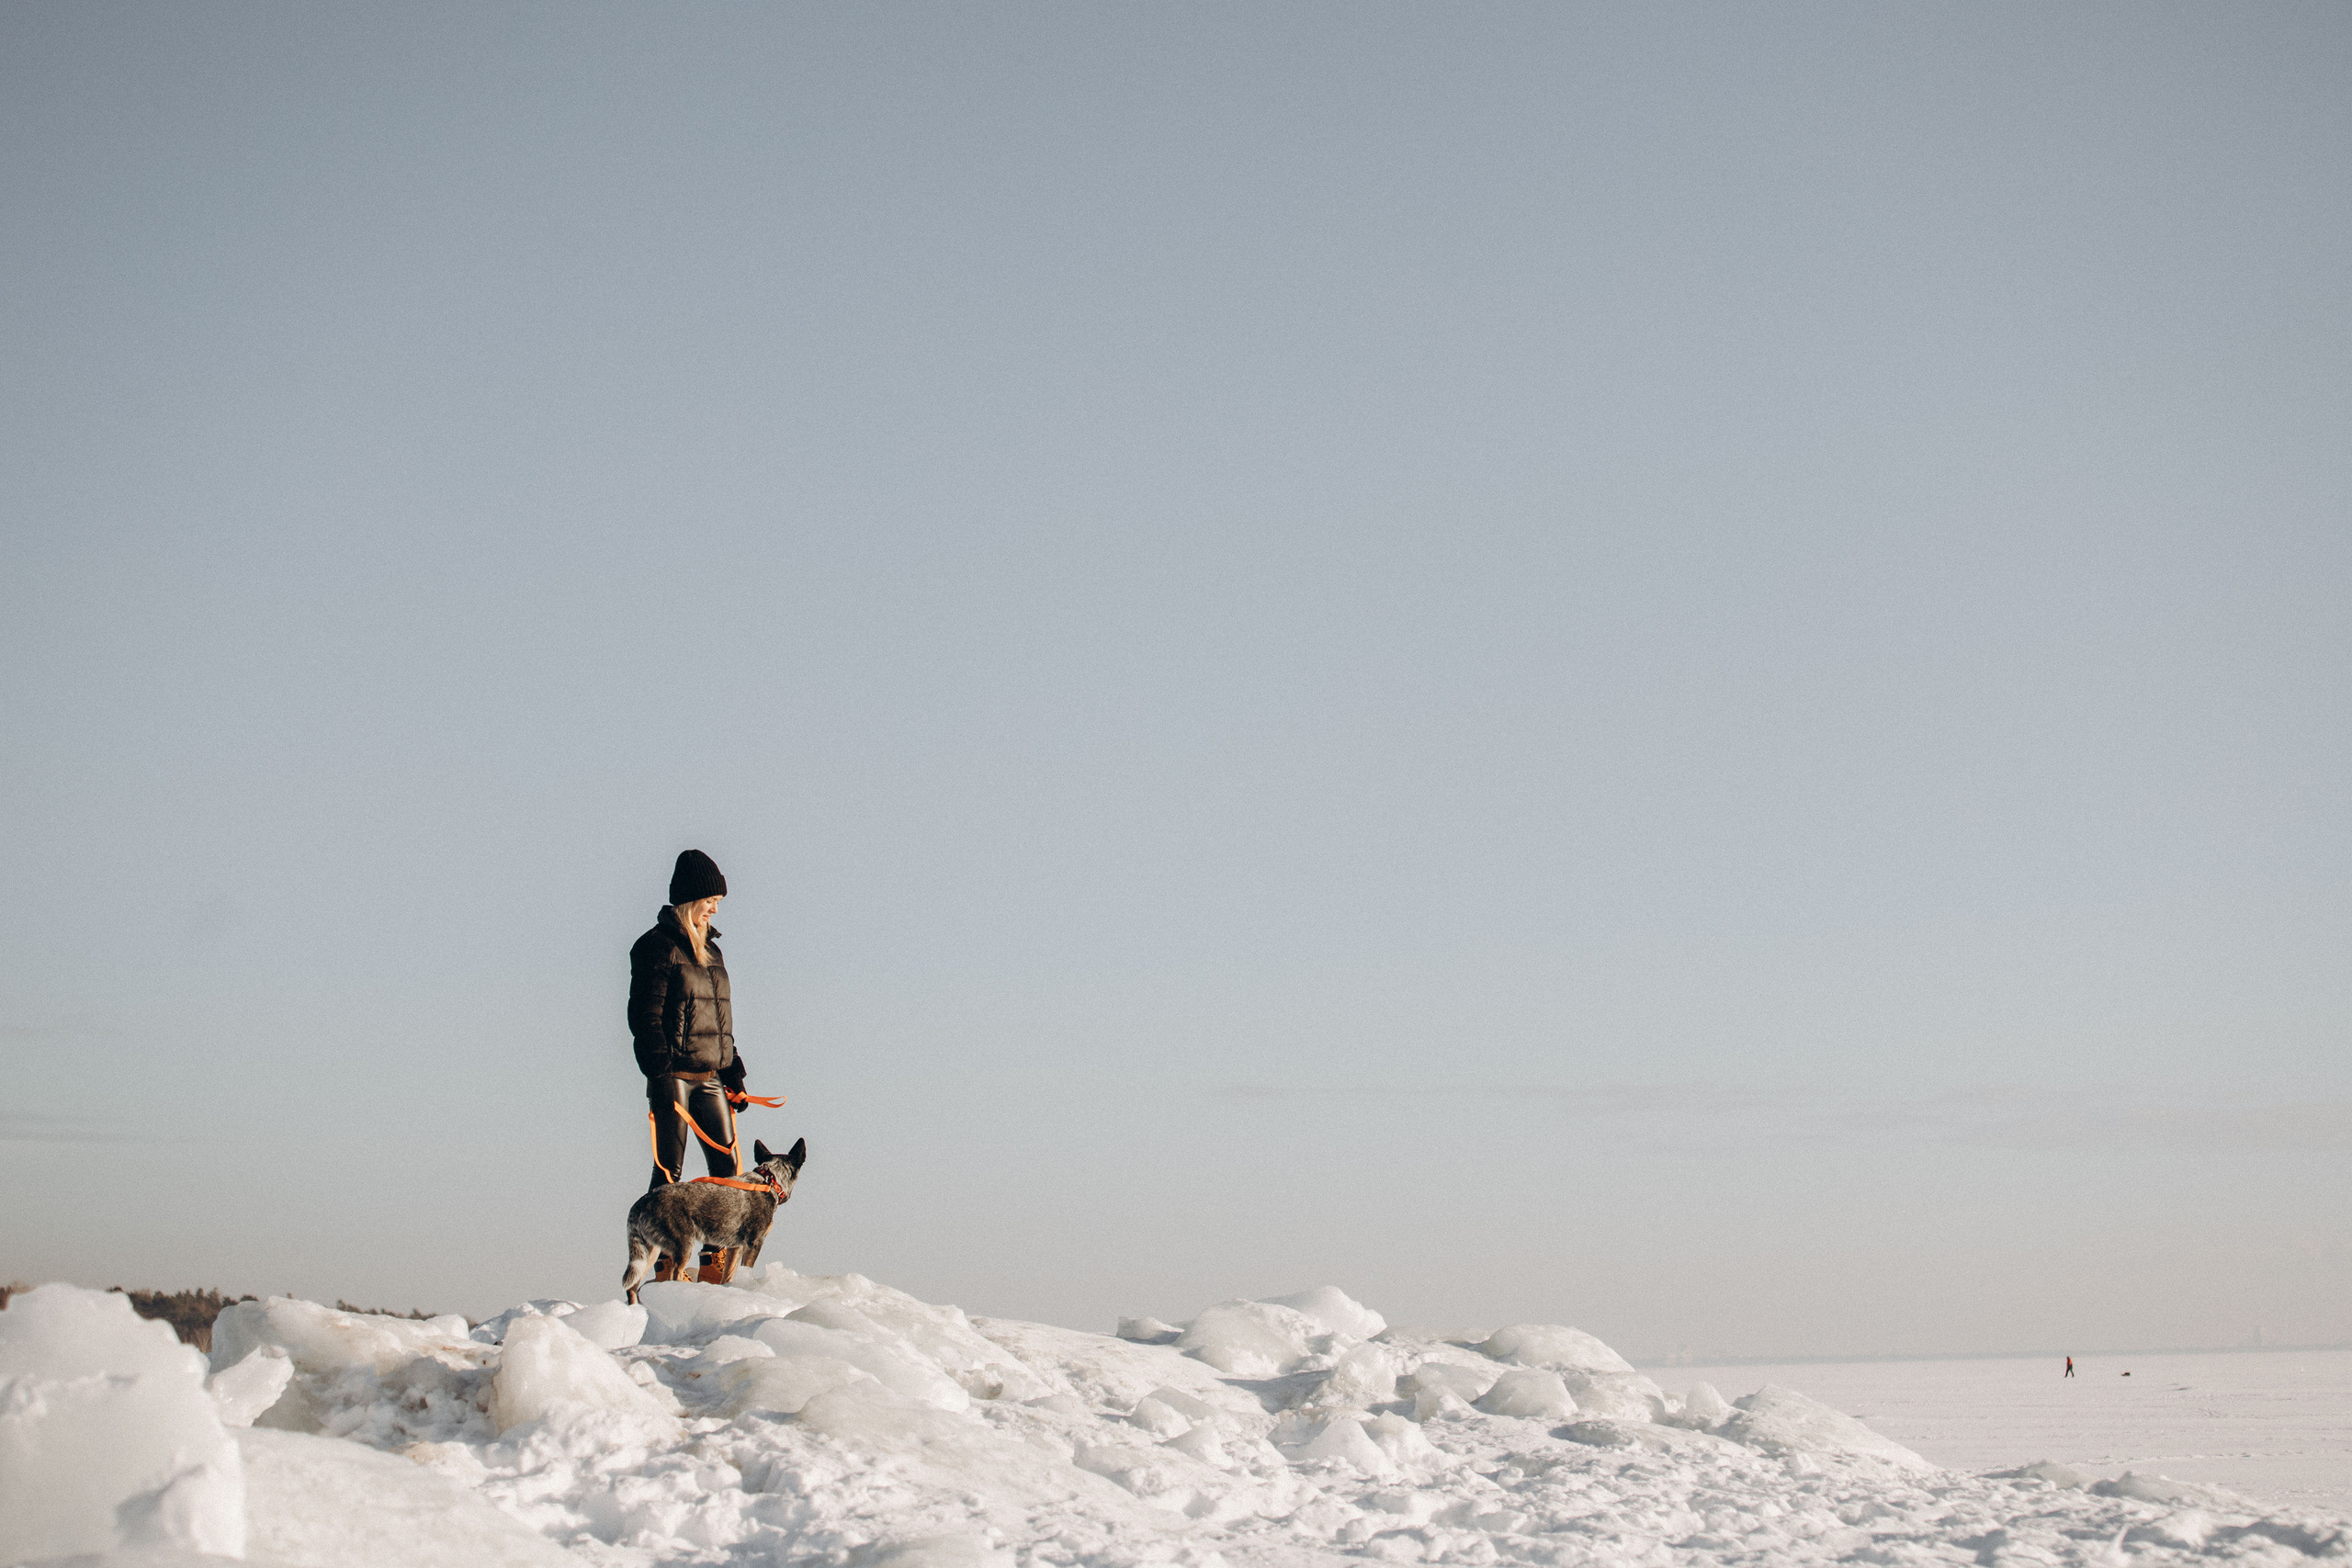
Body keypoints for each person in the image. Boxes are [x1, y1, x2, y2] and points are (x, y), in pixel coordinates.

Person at [629, 849, 757, 1282]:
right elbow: (644, 1018)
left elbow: (720, 1021)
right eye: (711, 899)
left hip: (711, 1078)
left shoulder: (714, 952)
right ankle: (664, 1269)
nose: (716, 908)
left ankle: (713, 1267)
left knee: (728, 1176)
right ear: (690, 899)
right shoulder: (655, 948)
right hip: (674, 1078)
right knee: (670, 1176)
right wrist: (659, 1074)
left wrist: (734, 1072)